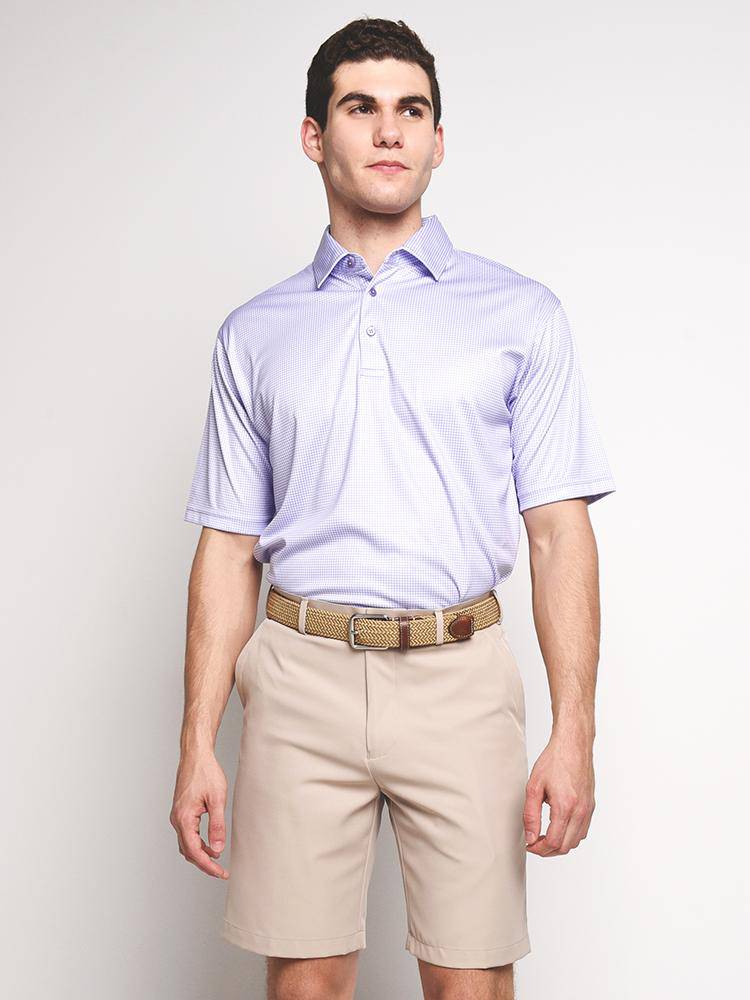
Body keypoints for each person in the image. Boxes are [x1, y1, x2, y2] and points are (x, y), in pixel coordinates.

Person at [170, 16, 616, 1000]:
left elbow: (559, 534)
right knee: (307, 985)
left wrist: (574, 730)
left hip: (460, 676)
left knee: (470, 986)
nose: (388, 130)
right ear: (313, 135)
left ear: (438, 141)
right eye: (360, 107)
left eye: (411, 110)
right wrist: (197, 740)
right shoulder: (254, 334)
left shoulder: (522, 315)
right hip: (299, 679)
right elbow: (228, 546)